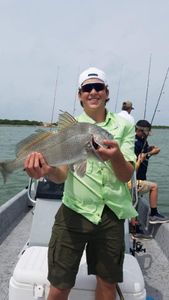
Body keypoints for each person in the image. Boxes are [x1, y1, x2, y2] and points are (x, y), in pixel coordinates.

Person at [24, 67, 137, 300]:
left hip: (112, 215)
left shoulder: (124, 126)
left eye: (98, 87)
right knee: (59, 284)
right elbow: (62, 175)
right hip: (74, 212)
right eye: (87, 88)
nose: (93, 92)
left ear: (107, 92)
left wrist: (115, 156)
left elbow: (126, 175)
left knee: (107, 285)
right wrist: (46, 171)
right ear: (80, 95)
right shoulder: (70, 128)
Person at [135, 120, 169, 224]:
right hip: (133, 181)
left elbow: (157, 149)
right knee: (154, 186)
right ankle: (153, 215)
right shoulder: (135, 144)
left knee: (136, 201)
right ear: (139, 131)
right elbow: (134, 166)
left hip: (140, 178)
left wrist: (148, 153)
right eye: (145, 132)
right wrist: (143, 157)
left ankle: (136, 225)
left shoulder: (143, 141)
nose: (147, 135)